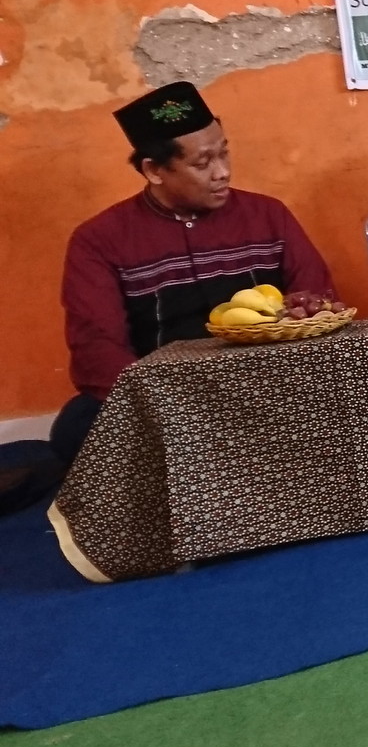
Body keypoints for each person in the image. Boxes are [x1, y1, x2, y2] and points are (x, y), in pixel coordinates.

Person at [58, 82, 335, 463]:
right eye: (203, 163)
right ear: (154, 170)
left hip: (267, 385)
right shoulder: (100, 239)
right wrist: (173, 408)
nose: (223, 172)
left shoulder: (269, 216)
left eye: (224, 153)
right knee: (76, 428)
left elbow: (316, 299)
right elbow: (97, 350)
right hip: (162, 398)